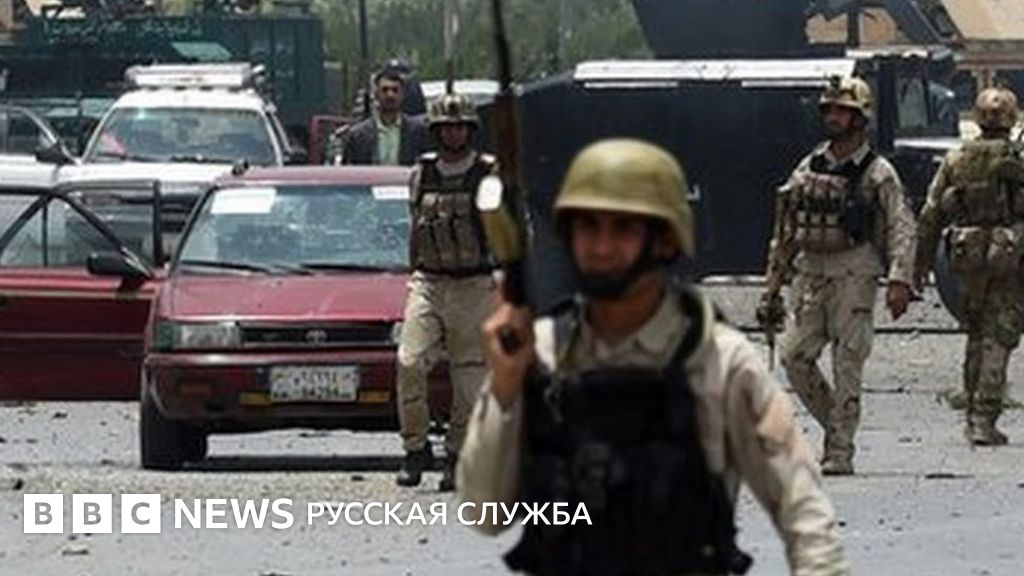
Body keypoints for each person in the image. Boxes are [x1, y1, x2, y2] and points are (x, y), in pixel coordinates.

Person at [459, 139, 849, 575]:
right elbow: (484, 514)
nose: (601, 247)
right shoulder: (541, 353)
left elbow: (804, 513)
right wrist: (506, 389)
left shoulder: (718, 361)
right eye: (588, 227)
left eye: (623, 229)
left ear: (665, 240)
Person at [758, 75, 916, 476]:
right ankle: (837, 425)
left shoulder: (877, 171)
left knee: (848, 364)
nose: (832, 116)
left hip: (854, 274)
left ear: (860, 118)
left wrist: (900, 279)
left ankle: (840, 450)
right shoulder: (809, 165)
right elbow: (786, 226)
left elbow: (900, 225)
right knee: (795, 357)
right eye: (828, 109)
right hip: (810, 273)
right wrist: (772, 285)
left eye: (842, 111)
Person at [395, 92, 496, 492]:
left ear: (470, 130)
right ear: (435, 132)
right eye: (446, 128)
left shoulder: (488, 173)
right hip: (430, 281)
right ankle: (415, 447)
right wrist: (412, 271)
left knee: (469, 379)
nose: (453, 134)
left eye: (459, 127)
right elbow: (415, 226)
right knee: (409, 361)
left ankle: (456, 454)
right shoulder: (422, 173)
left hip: (474, 283)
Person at [914, 86, 1024, 446]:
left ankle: (972, 410)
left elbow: (931, 213)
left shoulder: (957, 158)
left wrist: (920, 262)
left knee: (975, 333)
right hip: (1007, 258)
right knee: (999, 335)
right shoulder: (1016, 159)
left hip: (965, 257)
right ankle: (983, 419)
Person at [333, 67, 431, 166]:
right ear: (376, 95)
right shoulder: (358, 136)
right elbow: (348, 170)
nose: (390, 95)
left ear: (402, 95)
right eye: (385, 90)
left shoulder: (418, 132)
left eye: (395, 90)